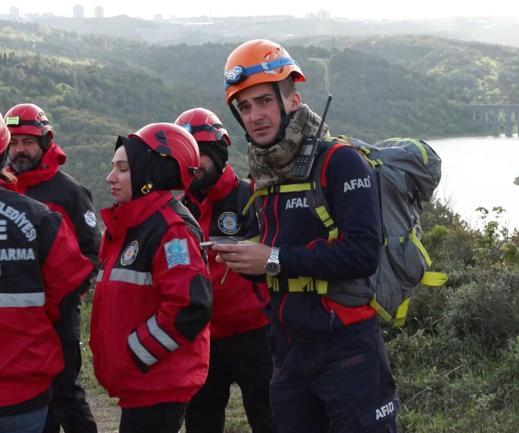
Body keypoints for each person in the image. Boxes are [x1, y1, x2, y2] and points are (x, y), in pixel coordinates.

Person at [215, 39, 399, 433]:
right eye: (244, 107)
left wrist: (272, 259)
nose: (255, 116)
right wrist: (246, 259)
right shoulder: (265, 176)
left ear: (293, 101)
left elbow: (363, 254)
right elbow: (274, 261)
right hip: (287, 352)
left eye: (264, 101)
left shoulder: (341, 162)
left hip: (348, 349)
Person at [90, 123, 212, 433]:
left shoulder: (171, 230)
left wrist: (135, 352)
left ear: (152, 173)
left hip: (157, 383)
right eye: (113, 167)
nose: (110, 177)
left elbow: (189, 306)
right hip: (141, 383)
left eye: (123, 169)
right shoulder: (130, 225)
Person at [175, 107, 273, 433]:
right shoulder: (178, 209)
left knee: (269, 419)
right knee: (201, 423)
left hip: (256, 334)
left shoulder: (251, 198)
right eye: (187, 155)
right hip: (202, 337)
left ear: (219, 151)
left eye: (201, 153)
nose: (194, 163)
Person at [4, 103, 100, 433]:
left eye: (28, 142)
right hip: (18, 319)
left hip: (59, 313)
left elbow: (91, 253)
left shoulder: (69, 192)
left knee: (65, 392)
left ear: (46, 142)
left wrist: (65, 297)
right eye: (14, 142)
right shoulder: (7, 189)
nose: (20, 150)